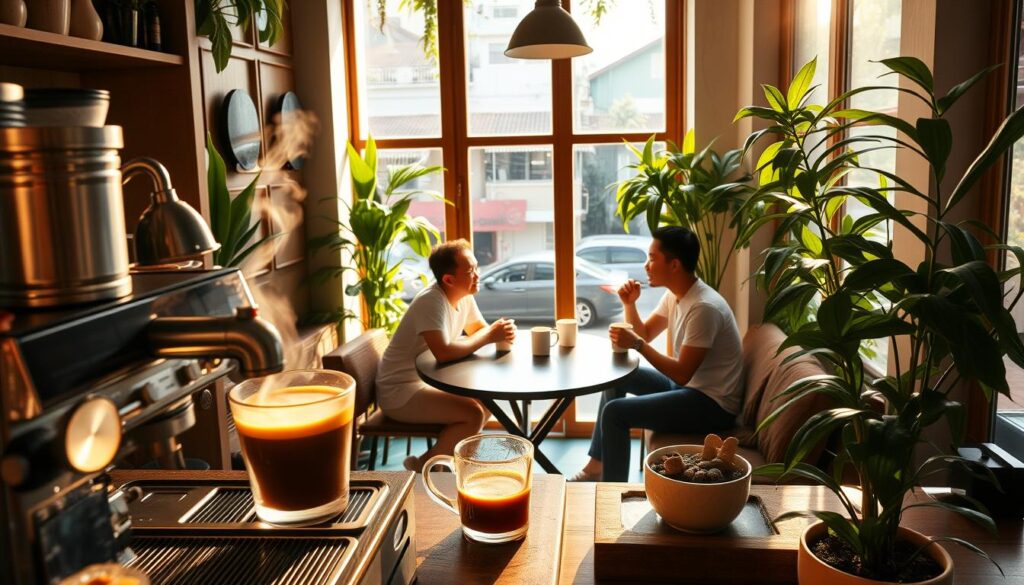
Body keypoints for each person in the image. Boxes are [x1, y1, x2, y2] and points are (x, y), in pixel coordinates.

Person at [571, 226, 743, 482]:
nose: (646, 265)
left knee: (616, 413)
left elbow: (682, 373)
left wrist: (638, 344)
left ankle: (612, 491)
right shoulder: (676, 295)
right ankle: (596, 465)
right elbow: (646, 332)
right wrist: (629, 304)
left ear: (674, 265)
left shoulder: (704, 308)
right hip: (688, 389)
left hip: (711, 404)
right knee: (618, 376)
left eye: (652, 258)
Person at [375, 239, 516, 471]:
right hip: (400, 391)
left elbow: (479, 331)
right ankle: (422, 467)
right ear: (449, 280)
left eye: (476, 267)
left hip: (426, 381)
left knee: (486, 402)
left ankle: (452, 464)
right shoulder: (431, 301)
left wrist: (500, 333)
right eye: (470, 271)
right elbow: (444, 352)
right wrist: (491, 335)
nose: (477, 275)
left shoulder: (463, 295)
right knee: (472, 413)